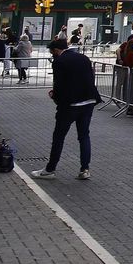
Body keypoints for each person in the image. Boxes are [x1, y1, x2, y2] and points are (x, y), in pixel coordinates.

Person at [30, 38, 100, 180]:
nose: (51, 54)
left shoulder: (59, 62)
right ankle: (85, 169)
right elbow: (89, 77)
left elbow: (59, 84)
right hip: (88, 101)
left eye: (52, 52)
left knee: (59, 137)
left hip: (70, 105)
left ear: (56, 50)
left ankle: (50, 169)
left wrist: (54, 96)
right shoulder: (83, 58)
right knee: (84, 136)